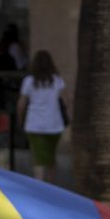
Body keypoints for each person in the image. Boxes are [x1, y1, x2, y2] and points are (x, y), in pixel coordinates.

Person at [19, 49, 70, 183]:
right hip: (54, 124)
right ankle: (52, 186)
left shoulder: (29, 81)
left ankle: (39, 184)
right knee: (50, 157)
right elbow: (66, 101)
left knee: (38, 158)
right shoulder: (57, 80)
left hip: (34, 124)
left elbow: (22, 104)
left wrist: (20, 120)